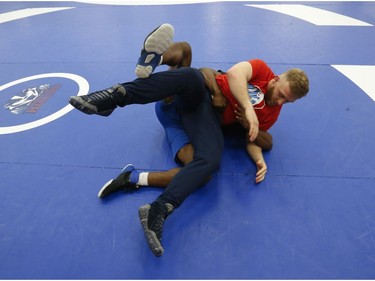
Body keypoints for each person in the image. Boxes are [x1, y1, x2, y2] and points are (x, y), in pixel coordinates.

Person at [69, 23, 309, 257]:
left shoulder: (272, 112)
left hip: (201, 119)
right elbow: (232, 73)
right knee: (191, 72)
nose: (280, 102)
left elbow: (256, 140)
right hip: (186, 99)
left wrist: (258, 157)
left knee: (209, 162)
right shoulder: (261, 70)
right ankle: (114, 96)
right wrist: (243, 106)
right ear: (276, 80)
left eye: (288, 102)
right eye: (281, 95)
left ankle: (158, 209)